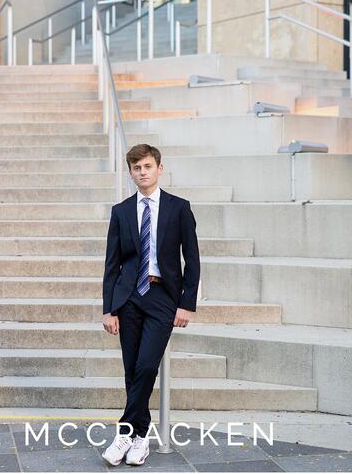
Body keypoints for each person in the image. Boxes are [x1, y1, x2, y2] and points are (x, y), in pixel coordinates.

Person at [100, 143, 200, 466]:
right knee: (132, 371)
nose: (142, 173)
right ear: (130, 173)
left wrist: (187, 304)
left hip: (162, 297)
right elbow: (111, 265)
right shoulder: (121, 211)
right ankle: (140, 438)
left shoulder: (179, 208)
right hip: (129, 297)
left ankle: (124, 433)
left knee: (146, 366)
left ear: (159, 168)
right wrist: (109, 308)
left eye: (147, 166)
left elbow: (193, 261)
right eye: (136, 168)